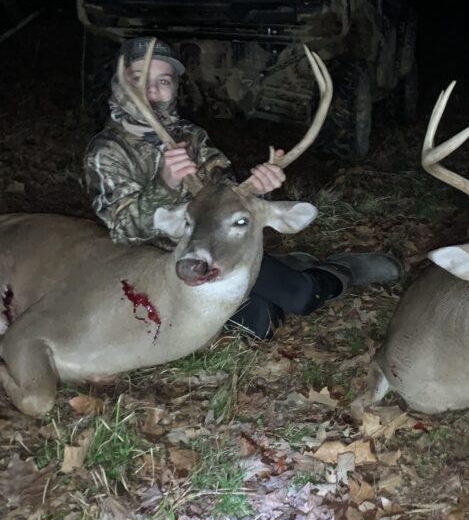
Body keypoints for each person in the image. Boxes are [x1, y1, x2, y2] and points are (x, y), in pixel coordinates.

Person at [83, 37, 402, 339]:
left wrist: (257, 188)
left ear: (174, 88)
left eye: (163, 81)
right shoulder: (107, 152)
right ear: (120, 82)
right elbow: (121, 233)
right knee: (263, 323)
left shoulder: (191, 136)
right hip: (155, 268)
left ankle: (341, 270)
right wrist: (164, 184)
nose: (152, 90)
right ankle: (291, 265)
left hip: (219, 250)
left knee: (303, 297)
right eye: (139, 78)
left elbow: (224, 193)